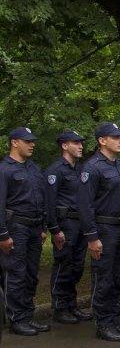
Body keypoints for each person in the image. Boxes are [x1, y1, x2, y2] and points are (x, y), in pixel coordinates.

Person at [77, 122, 120, 342]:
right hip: (104, 228)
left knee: (118, 277)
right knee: (104, 277)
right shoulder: (92, 168)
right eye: (115, 137)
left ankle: (114, 320)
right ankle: (103, 323)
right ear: (102, 140)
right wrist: (92, 236)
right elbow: (85, 205)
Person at [0, 127, 61, 335]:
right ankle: (17, 319)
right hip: (15, 227)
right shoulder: (5, 169)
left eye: (32, 141)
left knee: (31, 274)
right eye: (27, 141)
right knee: (16, 272)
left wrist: (43, 227)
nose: (32, 144)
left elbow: (42, 199)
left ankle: (27, 314)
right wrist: (3, 235)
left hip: (34, 227)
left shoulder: (34, 169)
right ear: (14, 143)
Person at [46, 129, 91, 324]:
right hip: (65, 223)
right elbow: (49, 201)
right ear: (65, 146)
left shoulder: (81, 169)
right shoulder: (56, 170)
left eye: (81, 142)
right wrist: (54, 229)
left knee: (77, 266)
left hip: (80, 223)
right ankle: (59, 307)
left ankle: (71, 305)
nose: (81, 146)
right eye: (76, 143)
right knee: (64, 265)